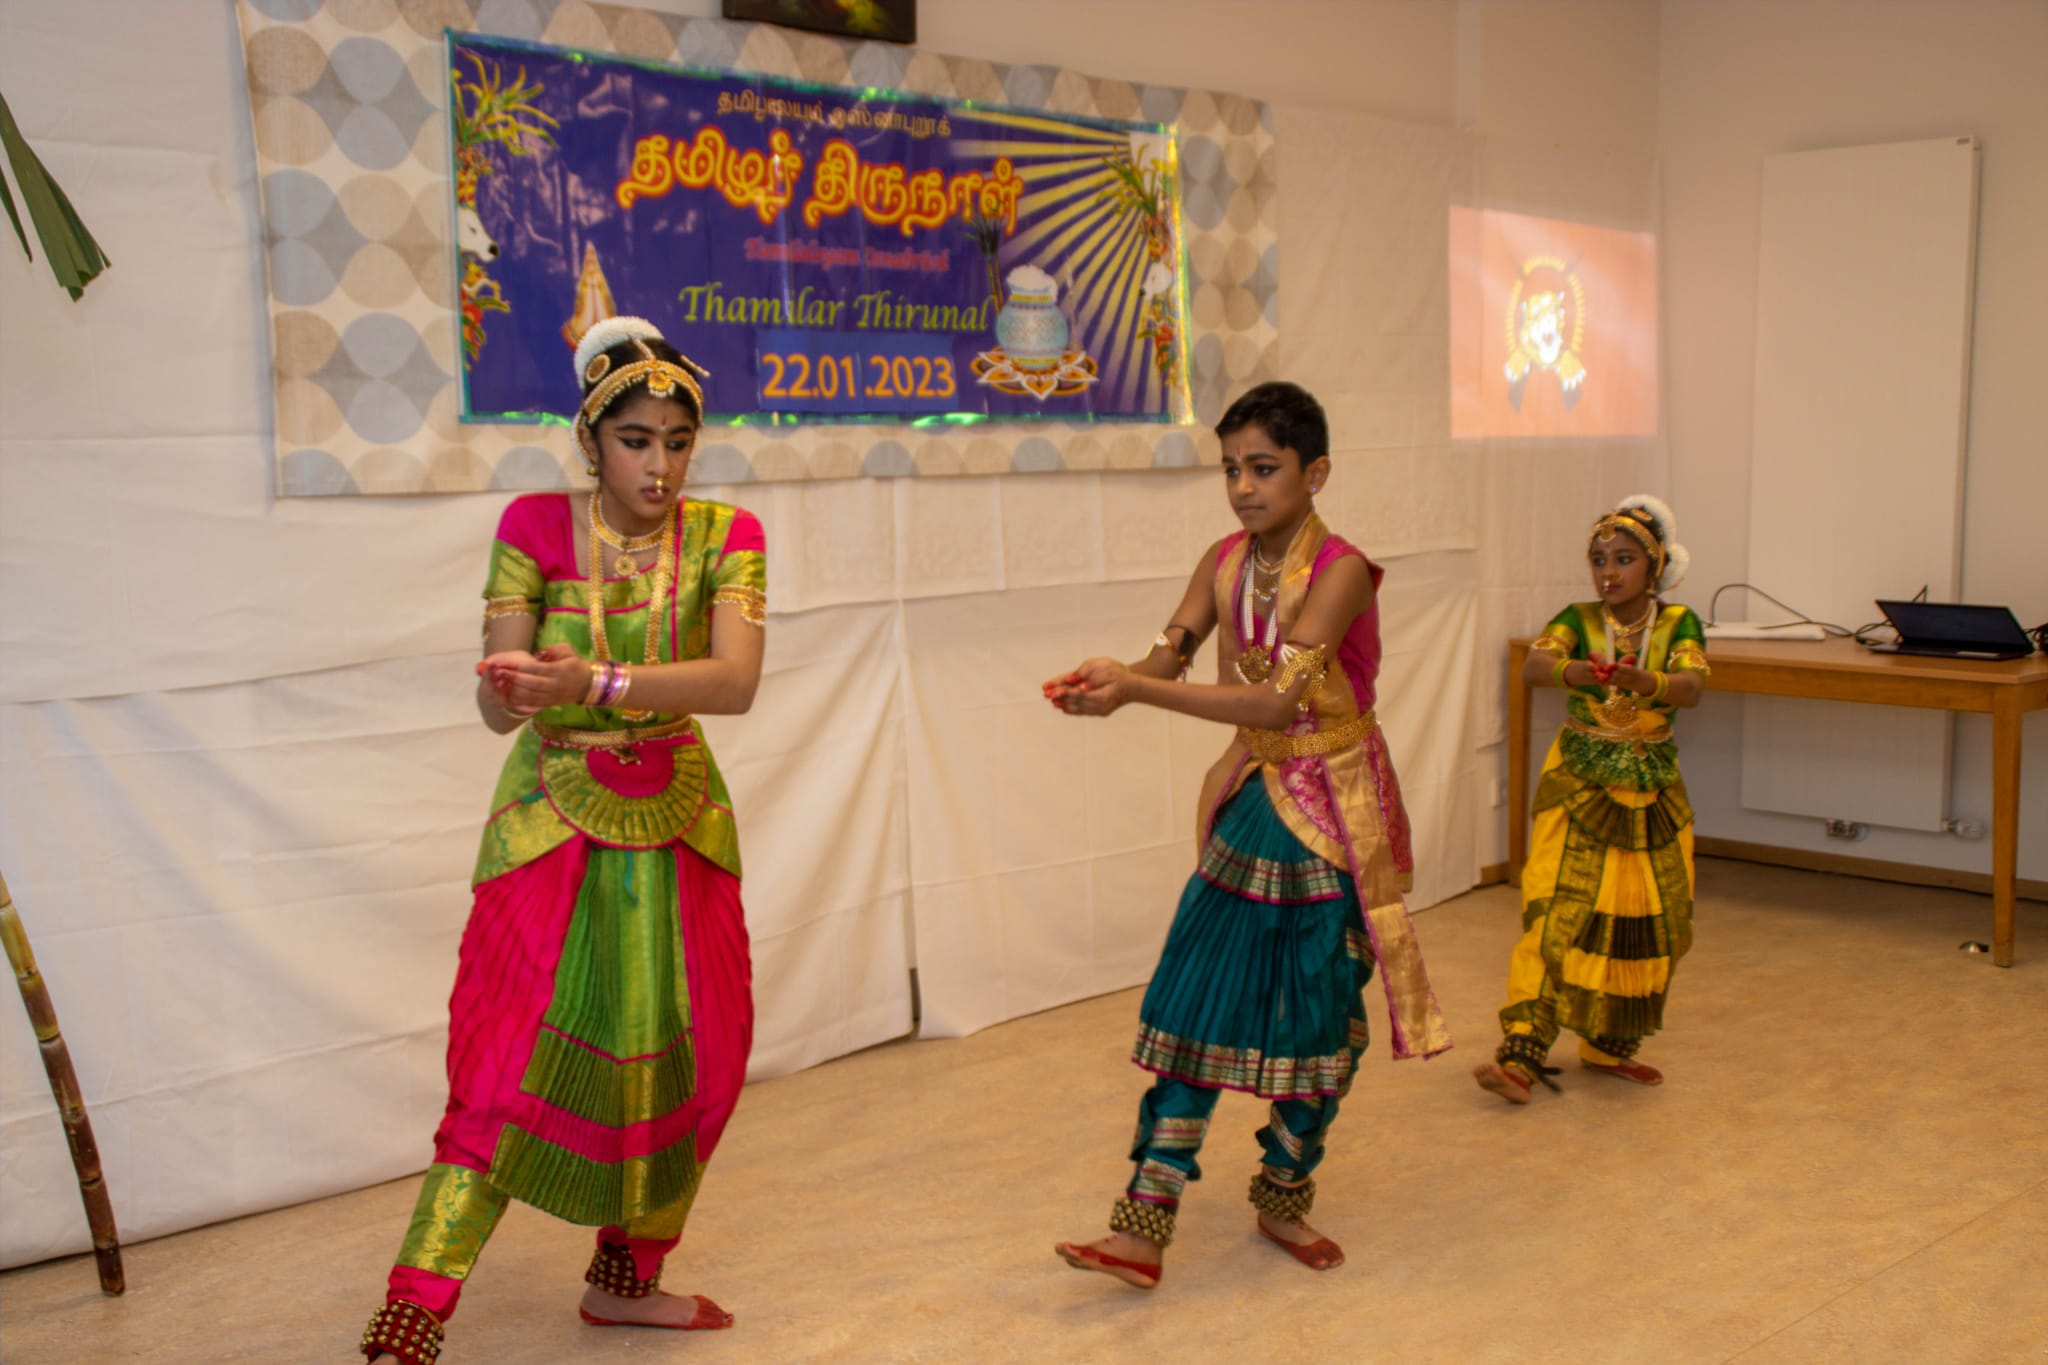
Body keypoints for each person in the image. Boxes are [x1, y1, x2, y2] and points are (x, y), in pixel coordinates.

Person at [357, 317, 767, 1363]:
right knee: (502, 1058)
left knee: (705, 1056)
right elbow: (498, 708)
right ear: (589, 440)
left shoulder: (729, 536)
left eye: (678, 440)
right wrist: (515, 687)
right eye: (635, 440)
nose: (660, 465)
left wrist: (598, 680)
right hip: (550, 815)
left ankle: (627, 1280)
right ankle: (414, 1308)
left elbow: (734, 683)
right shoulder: (533, 525)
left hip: (680, 812)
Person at [1044, 381, 1451, 1290]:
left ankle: (1283, 1196)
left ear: (1317, 472)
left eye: (1263, 468)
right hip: (1251, 796)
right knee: (1198, 998)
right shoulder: (1223, 560)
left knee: (1316, 1017)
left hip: (1330, 810)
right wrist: (1114, 681)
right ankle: (1143, 1225)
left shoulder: (1342, 571)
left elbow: (1274, 702)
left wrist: (1141, 692)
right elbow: (1169, 654)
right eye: (1230, 469)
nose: (1242, 488)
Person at [1473, 495, 1708, 1105]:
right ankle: (1521, 1052)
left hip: (1652, 786)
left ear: (1655, 567)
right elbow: (1535, 666)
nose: (1608, 571)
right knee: (1559, 909)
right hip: (1579, 780)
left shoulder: (1678, 623)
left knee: (1647, 916)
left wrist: (1646, 681)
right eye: (1599, 559)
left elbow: (1690, 687)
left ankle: (1609, 1043)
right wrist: (1576, 672)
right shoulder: (1577, 618)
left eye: (1624, 559)